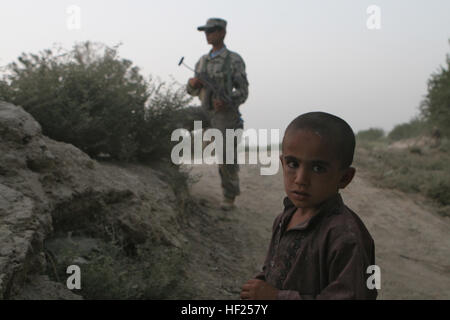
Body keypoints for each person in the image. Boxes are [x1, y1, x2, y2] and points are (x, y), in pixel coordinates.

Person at [240, 112, 378, 300]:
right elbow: (274, 270)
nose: (300, 179)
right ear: (282, 163)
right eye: (293, 164)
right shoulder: (284, 218)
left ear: (345, 178)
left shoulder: (346, 237)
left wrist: (277, 297)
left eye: (318, 168)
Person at [185, 18, 249, 211]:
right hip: (205, 111)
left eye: (212, 31)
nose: (208, 34)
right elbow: (191, 91)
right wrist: (192, 84)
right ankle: (169, 173)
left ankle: (229, 196)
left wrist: (228, 100)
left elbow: (244, 91)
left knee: (226, 155)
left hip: (225, 115)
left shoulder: (234, 60)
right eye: (206, 31)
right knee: (174, 122)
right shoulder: (202, 61)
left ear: (222, 33)